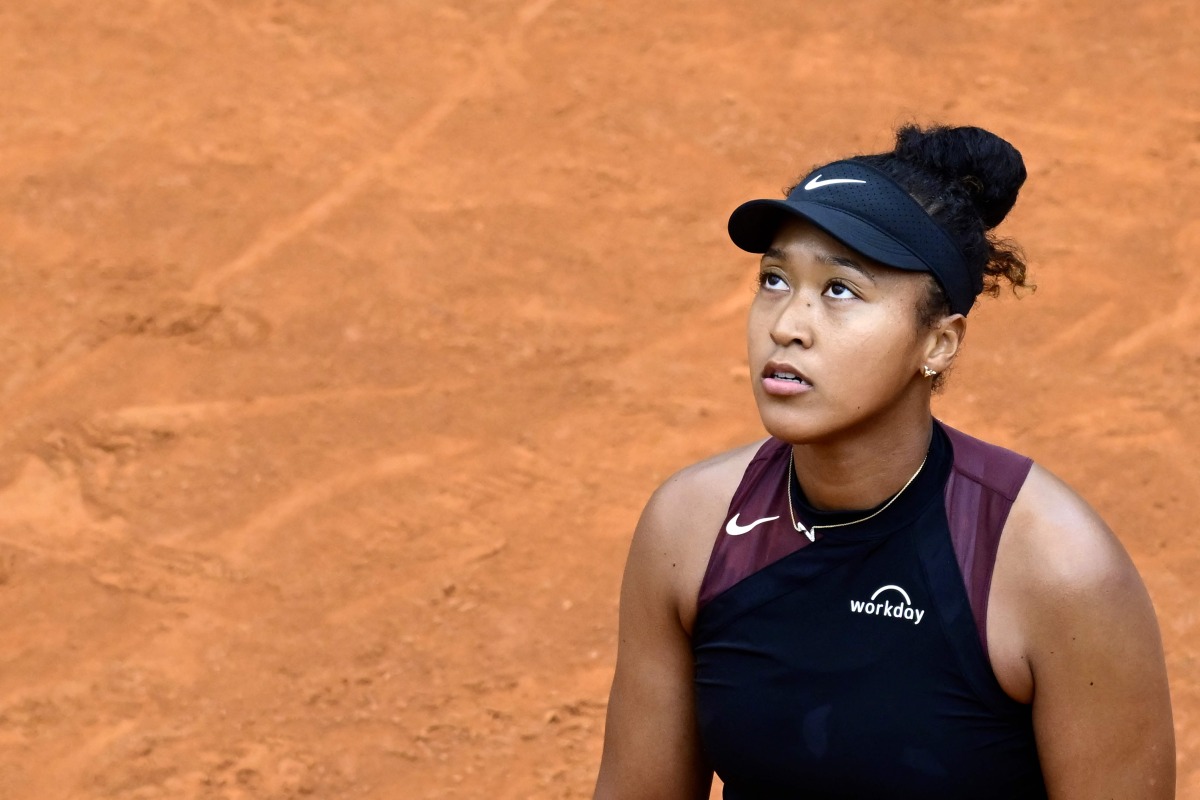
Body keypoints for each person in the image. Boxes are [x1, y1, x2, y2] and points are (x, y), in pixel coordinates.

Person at [592, 125, 1175, 799]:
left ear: (939, 342)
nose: (786, 325)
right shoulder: (691, 529)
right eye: (775, 280)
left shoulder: (1056, 570)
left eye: (840, 290)